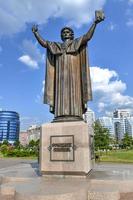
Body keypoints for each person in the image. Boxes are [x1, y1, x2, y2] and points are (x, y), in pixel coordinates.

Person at [32, 11, 104, 122]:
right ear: (61, 35)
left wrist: (95, 23)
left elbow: (88, 36)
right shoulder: (56, 46)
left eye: (68, 31)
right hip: (60, 77)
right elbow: (44, 43)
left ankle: (75, 114)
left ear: (71, 34)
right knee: (60, 93)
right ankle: (60, 115)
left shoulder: (77, 42)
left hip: (74, 74)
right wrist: (36, 33)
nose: (65, 33)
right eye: (64, 32)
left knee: (75, 91)